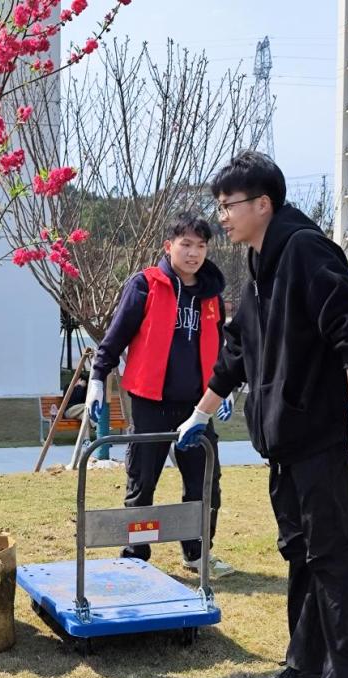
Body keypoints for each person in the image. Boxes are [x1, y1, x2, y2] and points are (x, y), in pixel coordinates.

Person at [175, 151, 348, 678]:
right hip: (286, 445)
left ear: (263, 204)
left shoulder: (305, 249)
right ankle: (305, 668)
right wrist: (200, 414)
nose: (221, 216)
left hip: (320, 438)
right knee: (301, 556)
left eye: (228, 205)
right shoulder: (260, 261)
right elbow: (238, 349)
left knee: (334, 560)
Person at [88, 212, 234, 578]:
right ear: (169, 246)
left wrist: (224, 387)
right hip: (150, 404)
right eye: (186, 244)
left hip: (197, 407)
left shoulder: (212, 296)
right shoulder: (146, 285)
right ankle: (135, 557)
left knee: (205, 484)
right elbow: (116, 336)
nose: (193, 253)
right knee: (142, 483)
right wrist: (97, 378)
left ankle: (197, 554)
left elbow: (220, 346)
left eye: (201, 246)